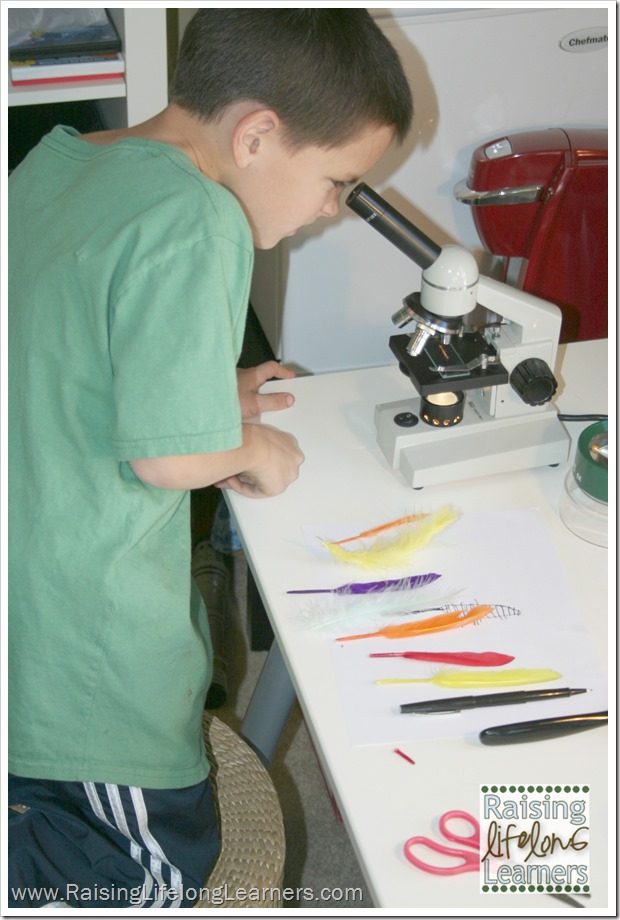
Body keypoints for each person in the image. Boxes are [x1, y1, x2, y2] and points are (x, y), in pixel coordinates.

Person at [8, 8, 412, 909]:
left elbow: (59, 346)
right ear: (258, 136)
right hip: (78, 679)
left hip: (20, 607)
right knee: (158, 874)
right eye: (336, 181)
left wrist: (196, 389)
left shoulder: (61, 159)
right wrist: (250, 446)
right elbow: (174, 459)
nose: (329, 210)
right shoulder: (201, 215)